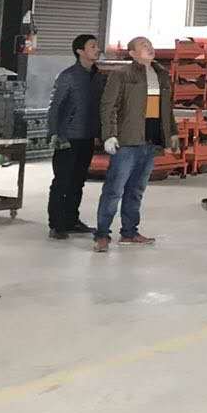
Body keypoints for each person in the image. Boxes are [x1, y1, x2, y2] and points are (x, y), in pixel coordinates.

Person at [92, 36, 180, 252]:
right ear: (132, 53)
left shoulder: (161, 75)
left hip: (149, 142)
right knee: (114, 189)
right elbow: (108, 106)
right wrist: (109, 135)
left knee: (136, 190)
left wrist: (172, 133)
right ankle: (102, 235)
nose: (149, 47)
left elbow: (166, 109)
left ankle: (129, 232)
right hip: (127, 141)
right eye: (143, 45)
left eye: (149, 44)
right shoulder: (122, 74)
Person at [45, 34, 103, 240]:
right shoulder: (68, 76)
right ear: (80, 51)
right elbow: (55, 107)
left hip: (87, 136)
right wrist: (54, 133)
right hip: (68, 137)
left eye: (97, 46)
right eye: (92, 46)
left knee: (78, 181)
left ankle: (71, 220)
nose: (97, 49)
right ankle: (57, 225)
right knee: (62, 181)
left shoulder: (97, 76)